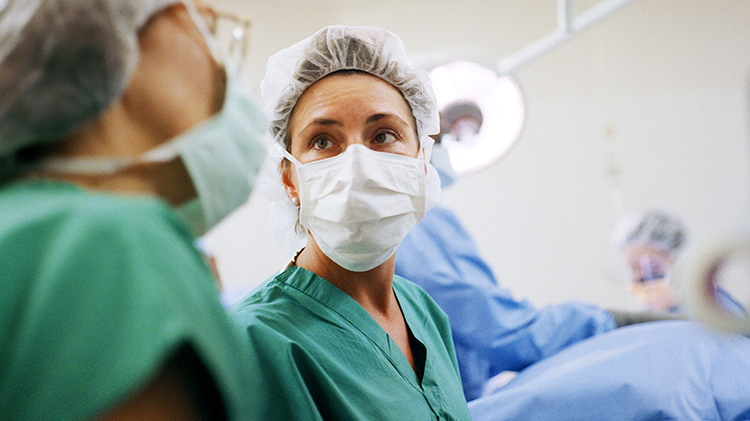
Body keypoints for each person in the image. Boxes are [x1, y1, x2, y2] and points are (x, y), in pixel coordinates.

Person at [0, 1, 267, 419]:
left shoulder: (22, 230)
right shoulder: (111, 247)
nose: (226, 72)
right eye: (208, 31)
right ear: (113, 53)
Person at [230, 25, 472, 420]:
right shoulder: (257, 344)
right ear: (289, 179)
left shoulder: (423, 312)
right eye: (323, 141)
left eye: (383, 135)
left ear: (421, 162)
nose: (358, 164)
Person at [396, 143, 688, 401]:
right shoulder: (410, 224)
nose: (641, 281)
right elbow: (503, 330)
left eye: (651, 271)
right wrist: (610, 322)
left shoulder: (423, 224)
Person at [613, 209, 745, 316]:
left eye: (652, 268)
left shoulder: (710, 304)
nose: (640, 277)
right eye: (632, 269)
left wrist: (682, 303)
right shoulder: (649, 318)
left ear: (679, 261)